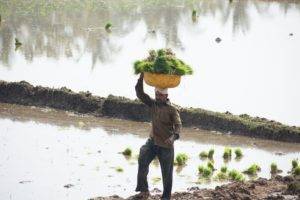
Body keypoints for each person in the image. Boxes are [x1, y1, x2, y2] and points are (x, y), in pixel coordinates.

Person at [134, 73, 182, 200]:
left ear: (166, 95)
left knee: (167, 174)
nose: (157, 97)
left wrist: (173, 137)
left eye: (160, 95)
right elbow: (140, 94)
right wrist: (141, 78)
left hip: (166, 145)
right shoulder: (153, 104)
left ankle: (166, 197)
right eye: (156, 95)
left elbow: (178, 125)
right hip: (152, 141)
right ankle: (143, 189)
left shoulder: (172, 110)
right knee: (143, 157)